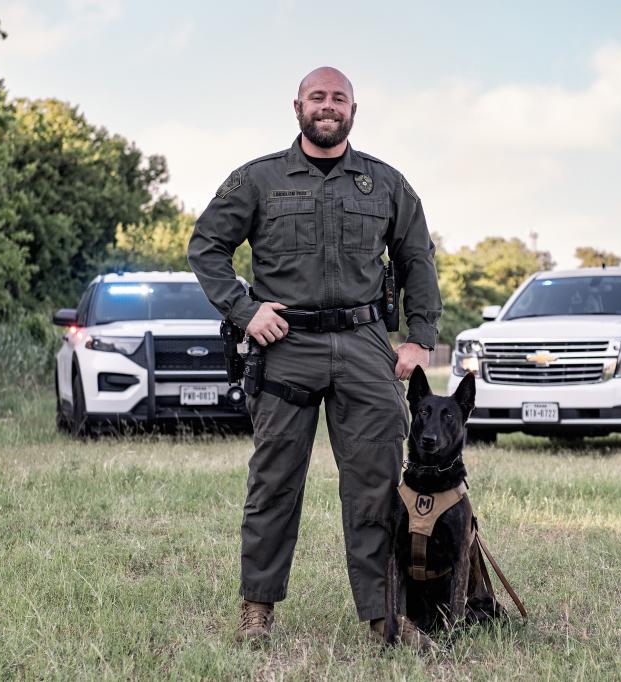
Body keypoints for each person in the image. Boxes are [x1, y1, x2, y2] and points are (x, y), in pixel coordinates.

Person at [187, 66, 442, 649]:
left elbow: (417, 259)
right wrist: (244, 311)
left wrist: (419, 338)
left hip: (364, 344)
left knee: (377, 482)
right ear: (297, 106)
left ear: (354, 108)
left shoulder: (385, 185)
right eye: (317, 97)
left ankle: (385, 617)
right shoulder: (259, 180)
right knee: (274, 482)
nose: (327, 106)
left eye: (338, 98)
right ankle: (257, 608)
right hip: (286, 347)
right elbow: (206, 246)